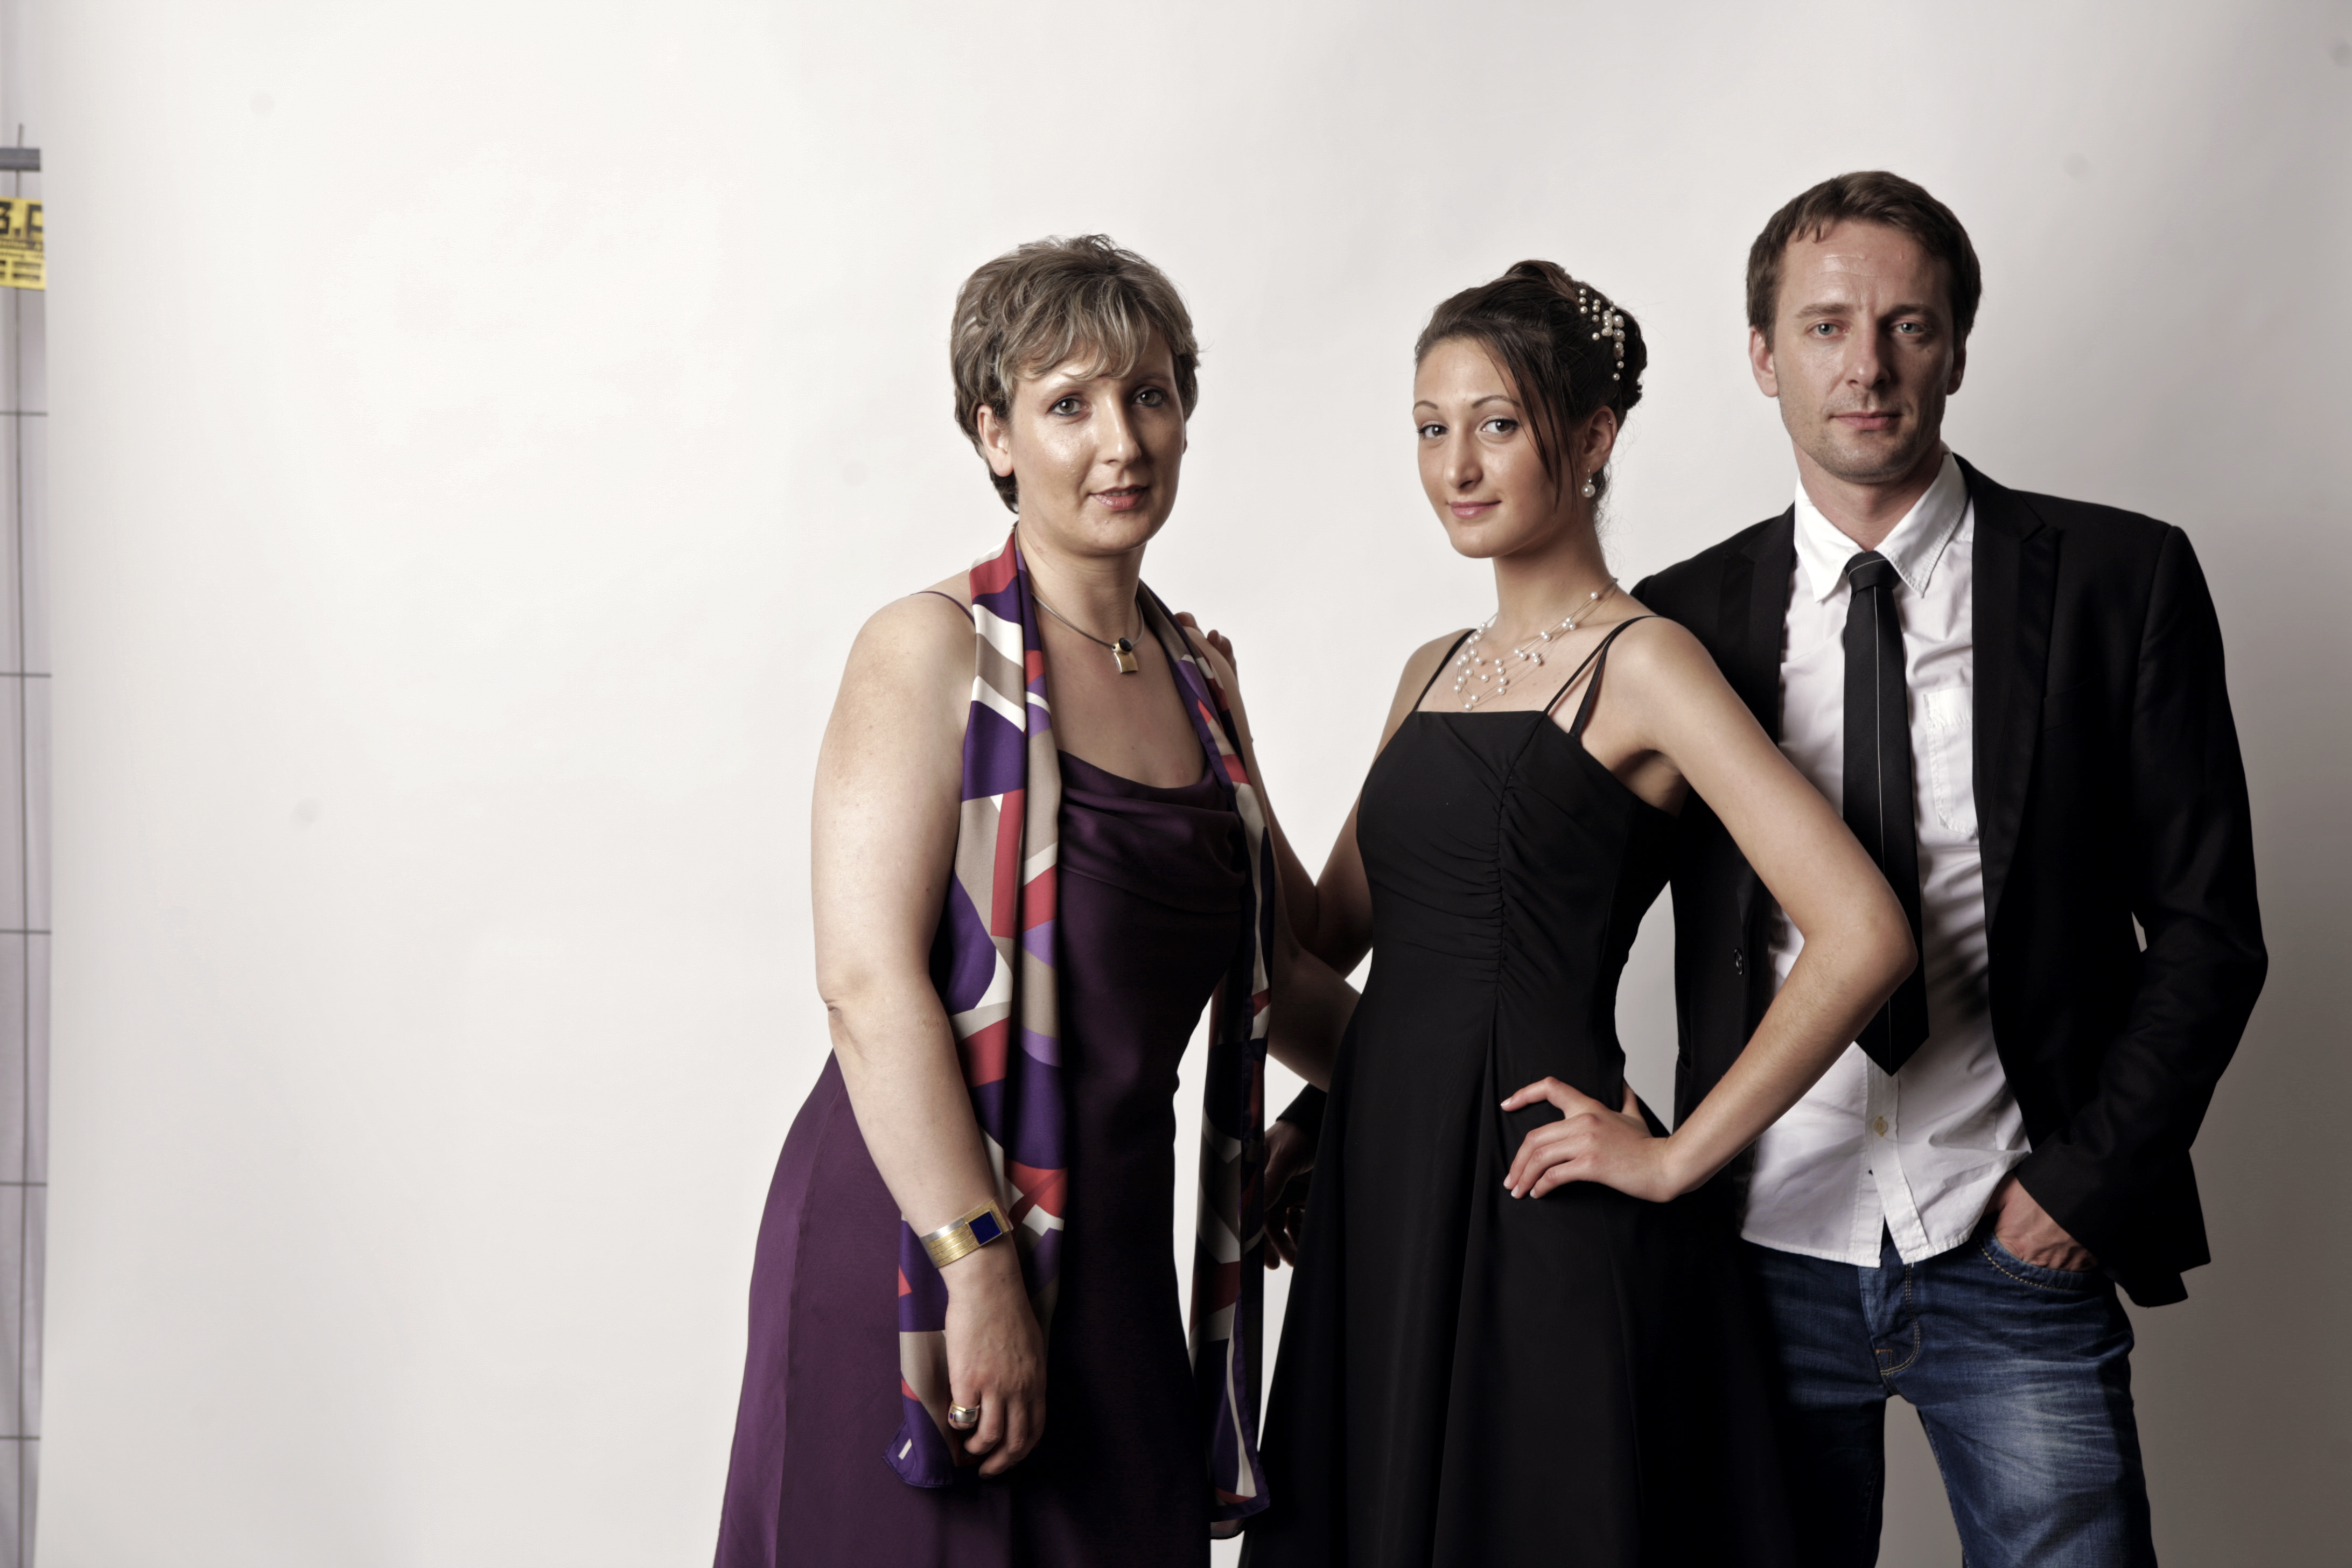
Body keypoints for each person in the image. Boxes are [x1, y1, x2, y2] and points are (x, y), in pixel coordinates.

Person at [1630, 172, 2267, 1567]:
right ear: (1763, 356)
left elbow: (2209, 931)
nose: (1866, 366)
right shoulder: (1678, 624)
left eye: (1907, 326)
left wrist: (2081, 1190)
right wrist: (1354, 1097)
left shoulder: (2119, 582)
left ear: (1959, 349)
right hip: (1761, 1247)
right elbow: (1555, 911)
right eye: (1826, 326)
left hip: (2014, 1231)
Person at [1240, 261, 1916, 1567]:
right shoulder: (1430, 669)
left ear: (1594, 437)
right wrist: (1236, 752)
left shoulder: (1646, 662)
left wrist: (1677, 1157)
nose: (1456, 466)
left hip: (1534, 1197)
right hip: (1382, 1193)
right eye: (1430, 427)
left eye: (1497, 423)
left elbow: (1865, 931)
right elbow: (1326, 940)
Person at [711, 234, 1353, 1567]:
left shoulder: (1199, 682)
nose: (1122, 441)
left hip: (1114, 1256)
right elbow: (866, 982)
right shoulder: (930, 647)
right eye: (1070, 405)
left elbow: (1282, 973)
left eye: (1151, 395)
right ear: (995, 435)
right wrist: (979, 1263)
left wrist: (1456, 1082)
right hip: (924, 1229)